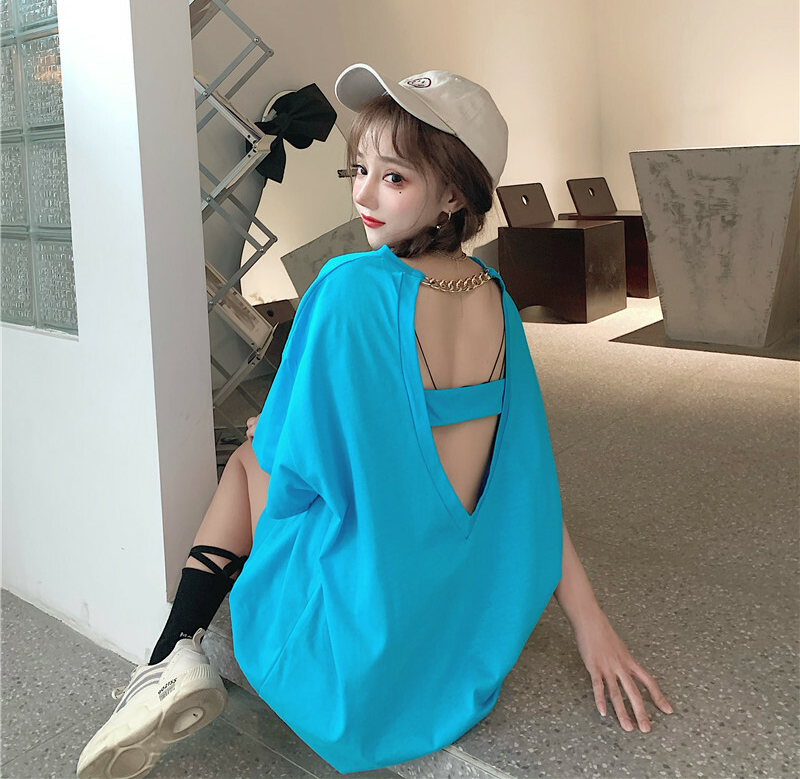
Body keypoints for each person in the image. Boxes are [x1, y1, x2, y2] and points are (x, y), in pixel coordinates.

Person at [77, 64, 673, 779]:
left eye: (393, 177)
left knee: (246, 460)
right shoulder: (497, 298)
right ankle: (169, 663)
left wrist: (280, 427)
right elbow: (529, 489)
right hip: (451, 635)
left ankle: (169, 658)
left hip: (355, 656)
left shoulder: (349, 286)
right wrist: (590, 624)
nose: (363, 194)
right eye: (358, 169)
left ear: (453, 192)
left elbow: (292, 469)